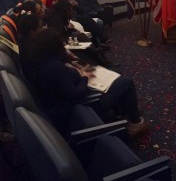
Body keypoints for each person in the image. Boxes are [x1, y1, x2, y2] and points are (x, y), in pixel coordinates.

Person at [17, 26, 147, 137]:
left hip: (68, 103)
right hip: (84, 105)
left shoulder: (38, 62)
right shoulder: (54, 67)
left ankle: (123, 112)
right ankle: (135, 123)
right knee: (126, 82)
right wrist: (84, 76)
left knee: (117, 80)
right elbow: (75, 95)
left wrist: (77, 71)